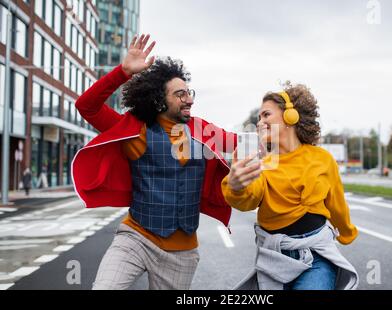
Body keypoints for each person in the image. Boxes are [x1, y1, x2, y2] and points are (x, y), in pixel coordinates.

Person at [72, 34, 236, 290]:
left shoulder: (202, 130)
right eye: (180, 94)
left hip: (181, 254)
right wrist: (123, 72)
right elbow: (87, 106)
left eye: (189, 92)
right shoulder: (135, 129)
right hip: (135, 239)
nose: (190, 100)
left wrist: (278, 134)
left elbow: (240, 144)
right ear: (160, 100)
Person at [221, 83, 359, 290]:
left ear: (290, 117)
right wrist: (236, 186)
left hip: (317, 257)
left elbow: (337, 205)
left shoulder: (322, 159)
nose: (260, 122)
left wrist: (347, 232)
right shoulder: (261, 163)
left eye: (266, 115)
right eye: (258, 118)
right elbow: (248, 200)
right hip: (274, 260)